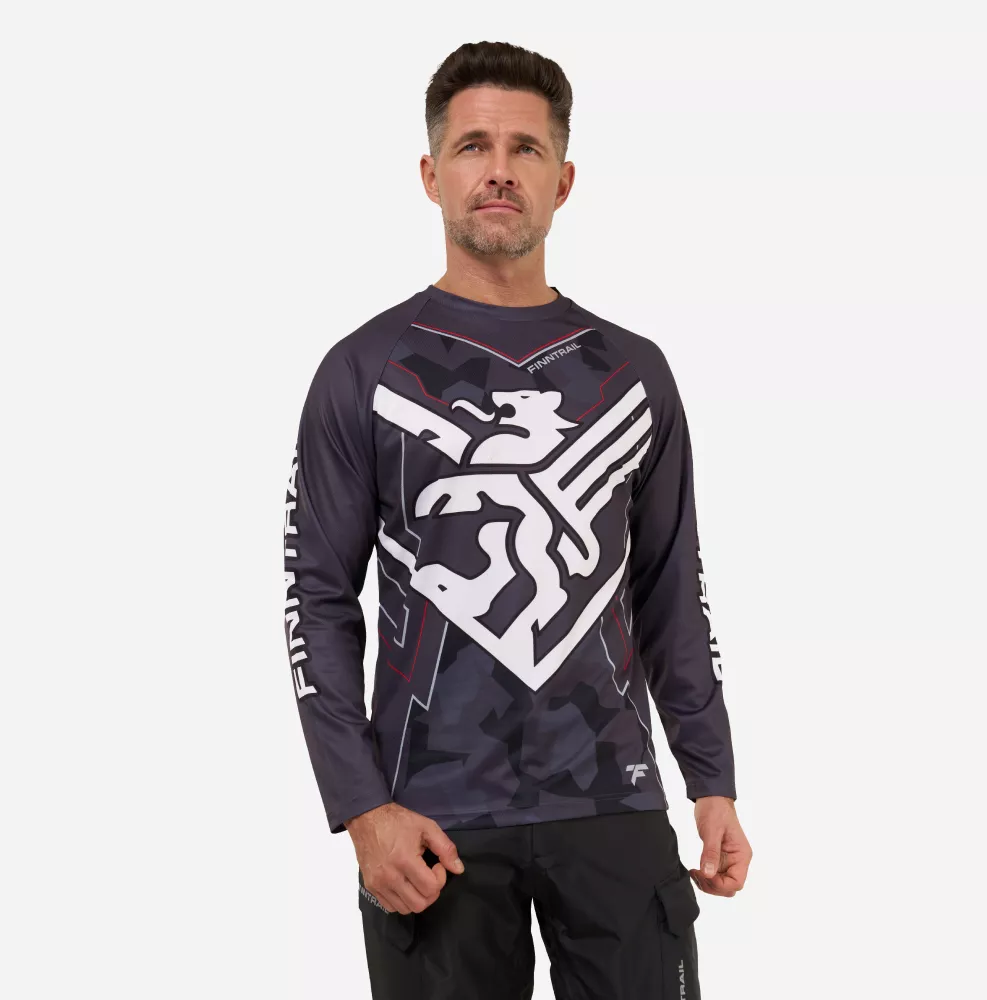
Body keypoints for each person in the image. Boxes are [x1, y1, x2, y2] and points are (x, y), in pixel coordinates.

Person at [282, 39, 752, 1000]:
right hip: (432, 816)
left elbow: (673, 591)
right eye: (473, 146)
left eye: (525, 149)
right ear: (431, 175)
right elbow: (316, 601)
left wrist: (712, 779)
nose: (498, 170)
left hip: (612, 799)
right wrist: (361, 807)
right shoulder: (364, 371)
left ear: (563, 181)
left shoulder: (632, 375)